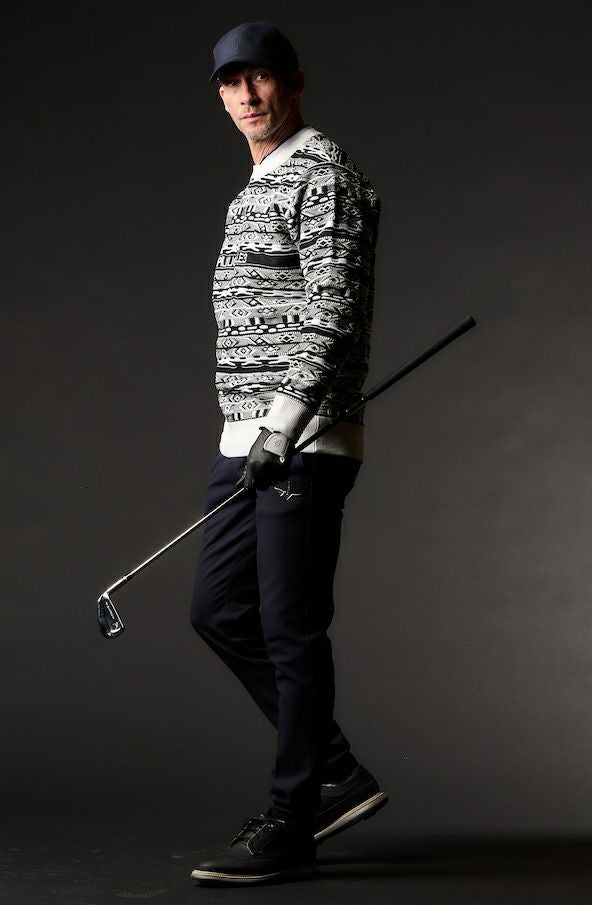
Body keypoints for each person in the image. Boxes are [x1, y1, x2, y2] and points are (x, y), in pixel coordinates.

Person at [189, 21, 386, 886]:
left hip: (301, 440)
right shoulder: (255, 185)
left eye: (261, 79)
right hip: (247, 439)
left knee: (289, 626)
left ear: (293, 83)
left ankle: (294, 816)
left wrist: (285, 421)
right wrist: (253, 431)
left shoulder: (323, 172)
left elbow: (332, 306)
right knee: (218, 609)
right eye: (231, 83)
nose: (246, 96)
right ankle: (335, 769)